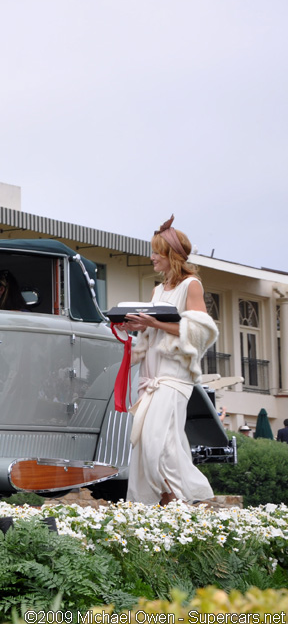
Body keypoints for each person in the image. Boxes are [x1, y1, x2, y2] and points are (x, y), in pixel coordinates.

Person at [119, 216, 218, 505]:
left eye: (156, 252)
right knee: (149, 446)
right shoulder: (157, 291)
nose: (151, 257)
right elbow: (153, 331)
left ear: (171, 255)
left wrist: (156, 323)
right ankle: (167, 500)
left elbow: (199, 332)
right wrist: (138, 326)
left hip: (174, 377)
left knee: (157, 443)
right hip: (151, 376)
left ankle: (184, 497)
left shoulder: (192, 286)